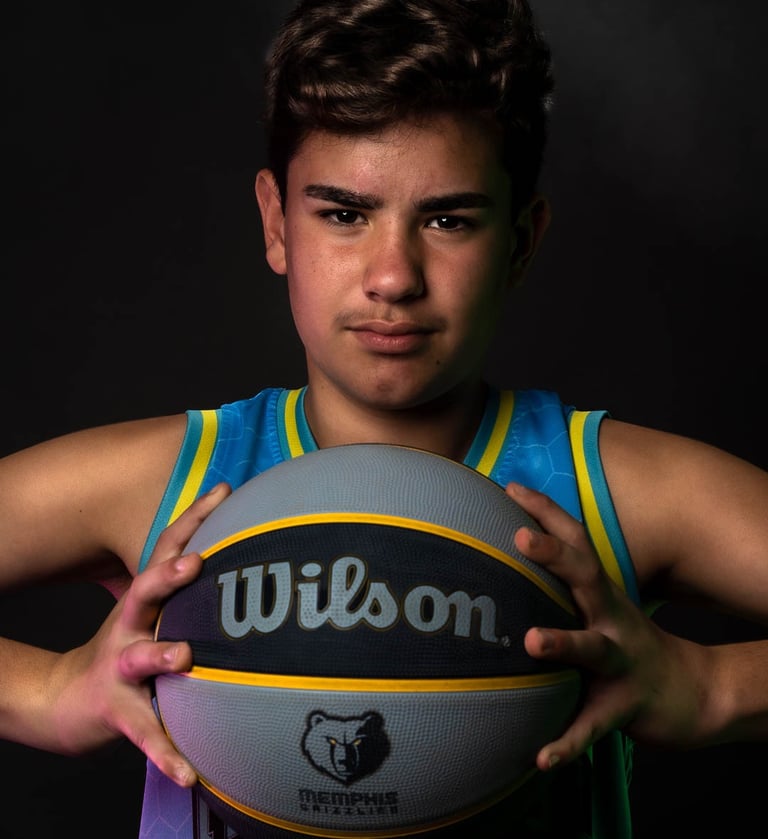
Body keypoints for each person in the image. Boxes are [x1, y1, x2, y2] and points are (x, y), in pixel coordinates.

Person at [1, 0, 767, 837]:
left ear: (521, 239)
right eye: (344, 213)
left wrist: (710, 687)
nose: (393, 275)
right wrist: (48, 692)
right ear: (275, 222)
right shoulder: (168, 483)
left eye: (448, 219)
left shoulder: (616, 487)